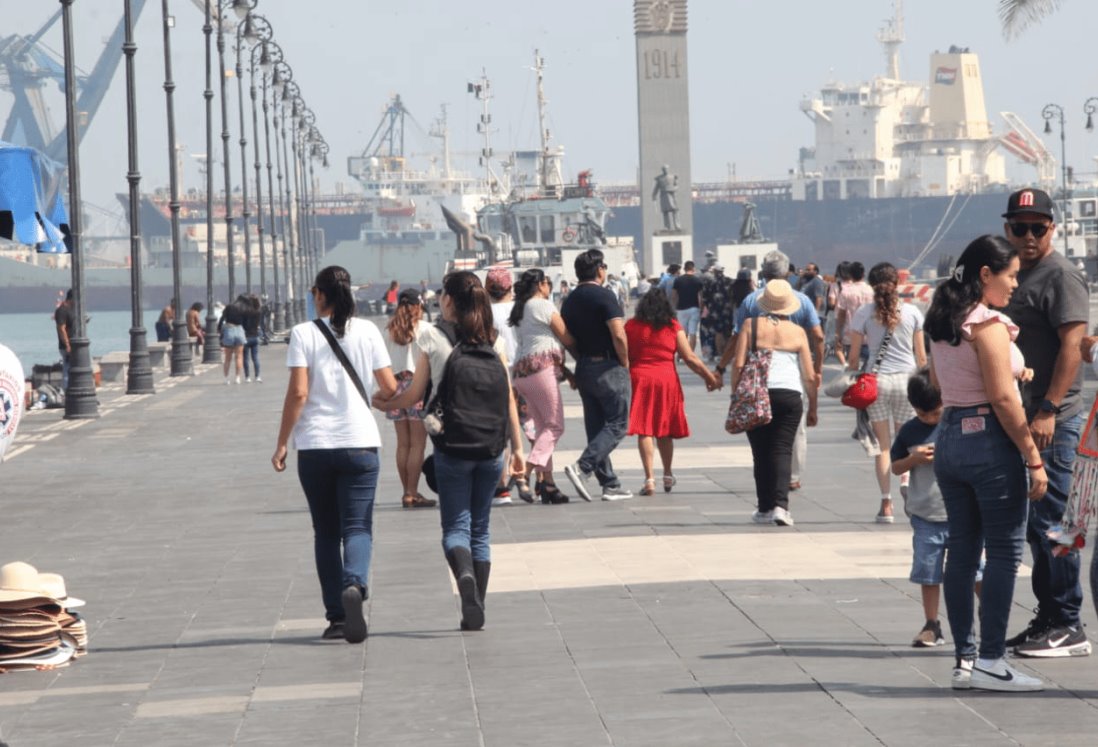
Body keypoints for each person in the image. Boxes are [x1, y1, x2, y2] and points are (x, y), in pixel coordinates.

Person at [924, 234, 1048, 692]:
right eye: (1010, 275)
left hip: (952, 435)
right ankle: (994, 659)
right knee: (1003, 552)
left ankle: (965, 659)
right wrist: (1033, 458)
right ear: (984, 275)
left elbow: (939, 382)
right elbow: (1000, 397)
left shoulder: (942, 321)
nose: (1015, 284)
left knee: (961, 550)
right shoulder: (988, 325)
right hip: (989, 443)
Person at [373, 271, 525, 631]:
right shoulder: (494, 340)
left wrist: (382, 403)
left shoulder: (432, 336)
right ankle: (478, 606)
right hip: (491, 447)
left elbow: (414, 396)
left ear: (449, 301)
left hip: (452, 446)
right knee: (481, 530)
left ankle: (465, 580)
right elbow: (507, 397)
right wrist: (517, 446)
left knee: (456, 527)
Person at [271, 265, 397, 643]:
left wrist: (281, 443)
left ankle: (337, 618)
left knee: (326, 533)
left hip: (315, 448)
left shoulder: (303, 334)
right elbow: (390, 386)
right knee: (357, 527)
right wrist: (376, 401)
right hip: (360, 443)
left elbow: (298, 394)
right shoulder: (369, 330)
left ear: (320, 295)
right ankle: (355, 585)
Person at [998, 188, 1091, 658]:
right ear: (1007, 227)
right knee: (1037, 523)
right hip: (1022, 416)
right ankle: (1049, 616)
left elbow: (1073, 347)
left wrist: (1049, 409)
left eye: (1038, 227)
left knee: (1053, 520)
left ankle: (1068, 624)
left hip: (1052, 418)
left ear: (1053, 228)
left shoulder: (1060, 276)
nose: (1029, 236)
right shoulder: (1014, 274)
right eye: (1020, 227)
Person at [717, 250, 824, 493]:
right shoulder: (803, 301)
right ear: (787, 273)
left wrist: (721, 368)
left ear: (764, 274)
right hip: (792, 370)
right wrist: (816, 368)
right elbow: (818, 336)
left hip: (758, 375)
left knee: (761, 429)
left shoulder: (751, 301)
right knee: (794, 430)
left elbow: (736, 340)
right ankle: (793, 476)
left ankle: (767, 479)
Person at [728, 279, 818, 526]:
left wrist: (736, 395)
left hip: (758, 392)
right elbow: (809, 375)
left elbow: (737, 364)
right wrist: (814, 406)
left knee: (761, 452)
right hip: (790, 393)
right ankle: (781, 507)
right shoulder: (798, 332)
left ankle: (764, 507)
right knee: (782, 449)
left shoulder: (750, 324)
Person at [845, 262, 926, 523]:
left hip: (876, 382)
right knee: (905, 439)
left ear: (871, 284)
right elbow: (921, 356)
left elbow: (855, 357)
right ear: (897, 284)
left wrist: (851, 372)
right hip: (907, 381)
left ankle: (886, 505)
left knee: (883, 447)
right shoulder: (913, 312)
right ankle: (905, 481)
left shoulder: (863, 313)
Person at [626, 288, 718, 496]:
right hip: (666, 379)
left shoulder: (631, 326)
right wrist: (709, 377)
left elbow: (622, 351)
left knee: (645, 428)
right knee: (664, 428)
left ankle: (649, 479)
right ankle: (667, 474)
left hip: (640, 378)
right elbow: (690, 358)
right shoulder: (672, 326)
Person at [561, 248, 633, 502]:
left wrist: (580, 358)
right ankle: (583, 467)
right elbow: (618, 333)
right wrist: (624, 361)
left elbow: (567, 337)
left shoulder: (569, 300)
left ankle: (609, 484)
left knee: (596, 426)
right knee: (618, 423)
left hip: (585, 367)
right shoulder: (605, 296)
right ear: (600, 269)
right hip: (608, 366)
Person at [889, 368, 947, 648]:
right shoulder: (910, 430)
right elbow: (895, 466)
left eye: (935, 413)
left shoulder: (955, 423)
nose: (930, 420)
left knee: (976, 570)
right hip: (925, 513)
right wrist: (913, 459)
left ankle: (987, 617)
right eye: (923, 415)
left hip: (961, 512)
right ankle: (931, 623)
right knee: (928, 570)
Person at [509, 268, 576, 504]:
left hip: (522, 373)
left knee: (542, 429)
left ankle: (548, 484)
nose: (549, 286)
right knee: (555, 426)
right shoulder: (543, 305)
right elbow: (565, 336)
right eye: (547, 282)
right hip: (541, 370)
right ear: (540, 284)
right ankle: (524, 473)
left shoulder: (520, 308)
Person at [385, 289, 435, 509]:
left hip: (396, 387)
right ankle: (412, 492)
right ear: (419, 306)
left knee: (402, 444)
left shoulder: (391, 329)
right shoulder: (426, 329)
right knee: (417, 445)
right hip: (417, 387)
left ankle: (407, 491)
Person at [485, 267, 527, 505]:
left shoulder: (483, 312)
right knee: (532, 428)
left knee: (501, 434)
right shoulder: (519, 310)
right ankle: (541, 478)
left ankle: (501, 486)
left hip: (495, 376)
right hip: (522, 374)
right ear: (510, 287)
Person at [835, 261, 873, 366]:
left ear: (850, 275)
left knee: (853, 366)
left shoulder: (846, 292)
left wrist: (838, 333)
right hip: (869, 335)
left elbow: (841, 315)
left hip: (851, 335)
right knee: (870, 366)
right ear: (864, 274)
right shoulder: (871, 290)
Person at [699, 264, 736, 363]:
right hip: (728, 311)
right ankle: (727, 354)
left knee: (718, 333)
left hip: (715, 311)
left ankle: (720, 354)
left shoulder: (710, 283)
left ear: (714, 271)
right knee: (728, 333)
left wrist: (702, 309)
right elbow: (734, 296)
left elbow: (704, 298)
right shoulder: (730, 281)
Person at [671, 260, 703, 354]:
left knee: (682, 333)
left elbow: (673, 295)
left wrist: (674, 307)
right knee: (693, 332)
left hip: (681, 309)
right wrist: (701, 308)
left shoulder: (678, 280)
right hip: (694, 308)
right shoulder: (697, 280)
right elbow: (700, 297)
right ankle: (691, 354)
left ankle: (682, 354)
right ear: (693, 268)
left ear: (684, 268)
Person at [218, 295, 249, 385]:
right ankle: (237, 378)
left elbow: (222, 318)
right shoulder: (243, 308)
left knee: (228, 358)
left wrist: (219, 328)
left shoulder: (229, 307)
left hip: (229, 330)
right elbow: (246, 322)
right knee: (239, 356)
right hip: (239, 330)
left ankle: (226, 379)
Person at [53, 290, 74, 390]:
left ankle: (70, 389)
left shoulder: (71, 309)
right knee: (67, 368)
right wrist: (67, 345)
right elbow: (61, 328)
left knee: (71, 368)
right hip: (66, 346)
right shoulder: (62, 310)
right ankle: (66, 391)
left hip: (74, 344)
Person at [241, 295, 262, 383]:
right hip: (255, 336)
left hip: (246, 337)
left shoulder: (244, 313)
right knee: (255, 358)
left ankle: (247, 377)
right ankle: (257, 376)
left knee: (246, 358)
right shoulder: (258, 312)